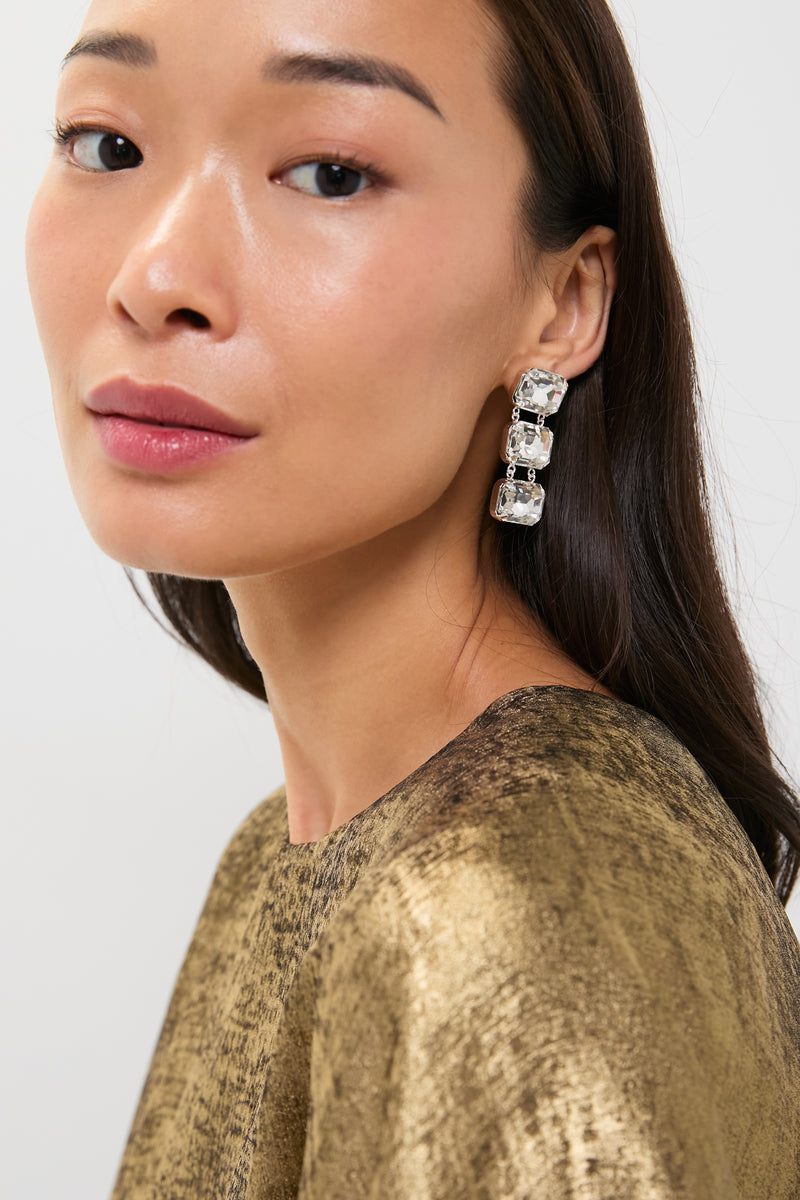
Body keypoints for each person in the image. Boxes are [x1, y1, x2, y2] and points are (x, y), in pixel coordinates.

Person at [25, 0, 800, 1194]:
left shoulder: (522, 900)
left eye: (329, 171)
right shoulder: (289, 856)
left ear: (561, 304)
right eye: (108, 147)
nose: (157, 276)